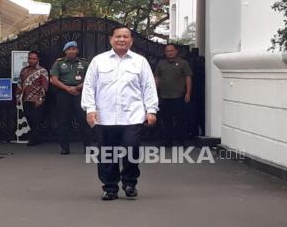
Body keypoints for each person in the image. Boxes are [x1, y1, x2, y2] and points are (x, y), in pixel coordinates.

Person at [81, 26, 158, 200]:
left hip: (133, 116)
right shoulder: (99, 61)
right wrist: (90, 109)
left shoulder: (140, 62)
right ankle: (110, 188)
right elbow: (89, 86)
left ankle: (130, 183)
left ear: (131, 41)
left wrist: (151, 110)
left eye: (125, 37)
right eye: (118, 36)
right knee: (107, 154)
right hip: (104, 116)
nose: (121, 39)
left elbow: (148, 86)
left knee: (131, 149)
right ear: (111, 39)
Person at [50, 41, 92, 155]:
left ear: (77, 51)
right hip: (63, 93)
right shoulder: (59, 63)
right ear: (65, 51)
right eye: (69, 49)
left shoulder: (84, 63)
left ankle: (88, 147)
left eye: (74, 49)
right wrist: (67, 88)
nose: (72, 51)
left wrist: (78, 87)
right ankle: (65, 148)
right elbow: (54, 79)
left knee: (83, 120)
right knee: (63, 121)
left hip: (80, 93)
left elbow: (91, 79)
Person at [154, 43, 193, 146]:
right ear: (165, 52)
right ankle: (168, 141)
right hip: (164, 96)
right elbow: (157, 78)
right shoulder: (161, 63)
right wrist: (154, 93)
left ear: (176, 51)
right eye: (167, 51)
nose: (170, 53)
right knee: (166, 120)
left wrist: (188, 93)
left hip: (179, 96)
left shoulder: (183, 63)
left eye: (171, 51)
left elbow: (188, 77)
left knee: (181, 119)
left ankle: (181, 140)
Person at [16, 50, 49, 146]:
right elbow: (19, 84)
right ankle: (36, 138)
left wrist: (40, 99)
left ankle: (34, 139)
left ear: (38, 60)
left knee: (36, 120)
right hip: (26, 99)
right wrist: (18, 97)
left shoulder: (42, 71)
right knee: (29, 119)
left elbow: (45, 86)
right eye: (30, 58)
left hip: (37, 99)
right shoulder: (24, 70)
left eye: (34, 59)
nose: (31, 60)